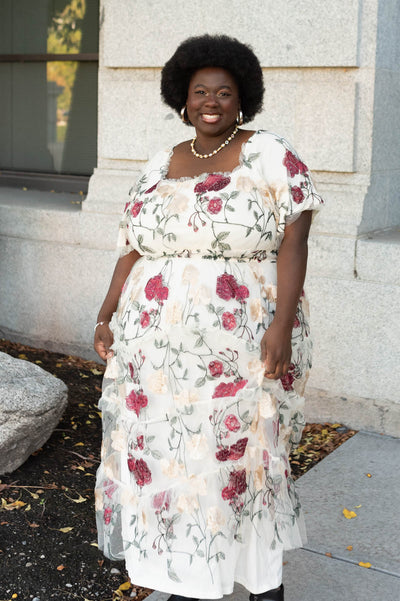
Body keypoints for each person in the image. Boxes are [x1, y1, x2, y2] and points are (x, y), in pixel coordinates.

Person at [94, 34, 323, 601]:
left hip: (237, 345)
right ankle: (184, 574)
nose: (211, 101)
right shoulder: (159, 163)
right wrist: (105, 315)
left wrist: (281, 325)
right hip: (154, 356)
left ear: (243, 98)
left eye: (224, 91)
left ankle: (260, 582)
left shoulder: (268, 152)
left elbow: (296, 239)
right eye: (200, 92)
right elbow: (133, 247)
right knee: (168, 459)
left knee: (237, 462)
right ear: (183, 98)